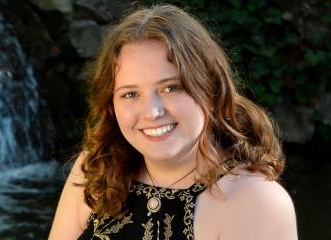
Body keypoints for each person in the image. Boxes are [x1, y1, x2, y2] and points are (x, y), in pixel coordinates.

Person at [48, 4, 298, 240]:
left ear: (209, 88)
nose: (152, 112)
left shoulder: (256, 202)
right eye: (130, 94)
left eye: (170, 88)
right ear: (111, 104)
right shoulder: (96, 167)